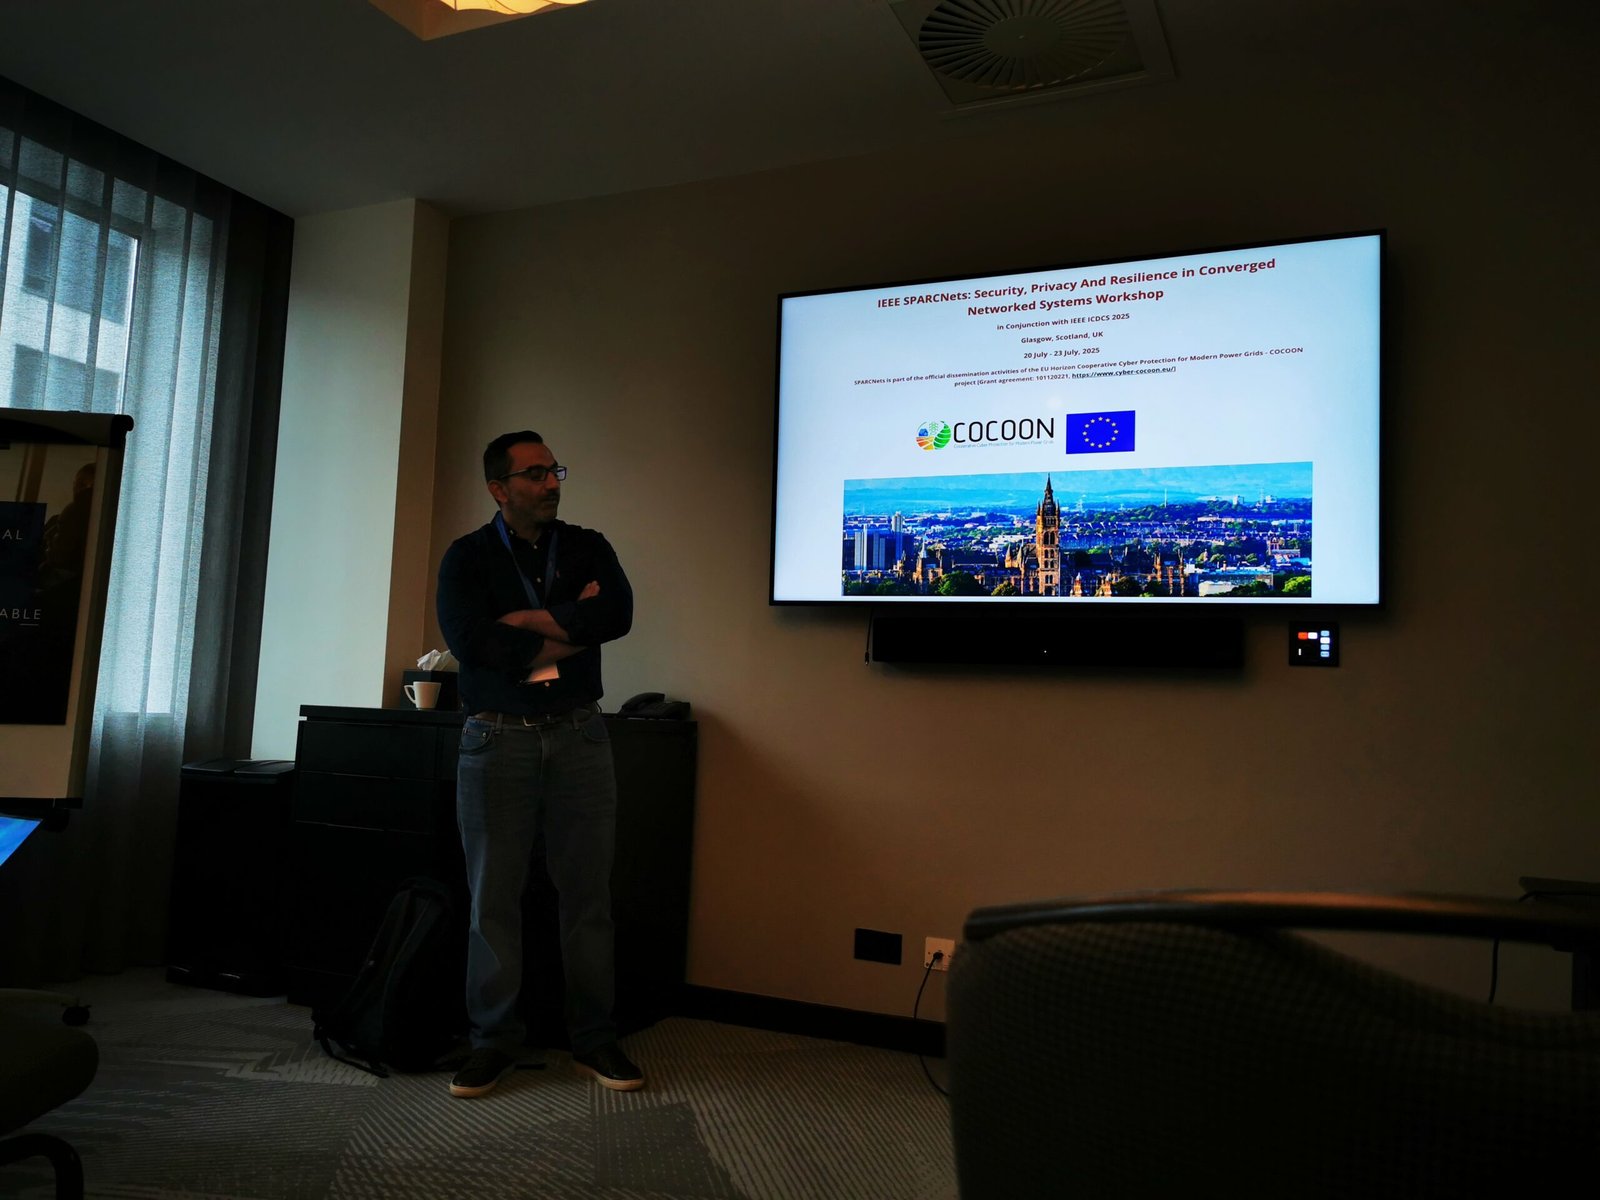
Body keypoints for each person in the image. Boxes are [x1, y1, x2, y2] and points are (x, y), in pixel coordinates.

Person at [435, 430, 639, 1098]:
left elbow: (617, 613)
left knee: (588, 897)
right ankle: (492, 1042)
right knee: (493, 900)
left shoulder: (587, 544)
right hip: (496, 740)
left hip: (579, 734)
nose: (551, 483)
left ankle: (595, 1039)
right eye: (535, 474)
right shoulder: (466, 558)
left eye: (554, 470)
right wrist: (570, 626)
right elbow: (474, 643)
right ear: (499, 488)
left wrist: (526, 620)